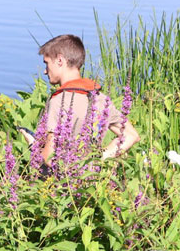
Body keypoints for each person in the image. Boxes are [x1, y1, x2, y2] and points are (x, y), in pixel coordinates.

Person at [23, 34, 139, 165]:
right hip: (91, 180)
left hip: (60, 181)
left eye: (47, 63)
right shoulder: (100, 98)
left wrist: (33, 144)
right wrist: (99, 160)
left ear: (60, 60)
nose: (45, 71)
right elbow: (131, 136)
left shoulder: (59, 101)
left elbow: (49, 159)